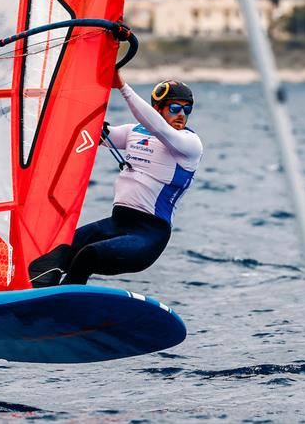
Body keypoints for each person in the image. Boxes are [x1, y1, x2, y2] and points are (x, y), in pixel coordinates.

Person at [30, 72, 203, 286]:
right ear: (157, 109)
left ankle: (61, 305)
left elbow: (158, 127)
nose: (182, 115)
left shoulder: (189, 144)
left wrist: (122, 86)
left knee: (88, 254)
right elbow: (91, 130)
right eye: (175, 109)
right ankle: (29, 292)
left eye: (187, 110)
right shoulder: (133, 132)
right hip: (116, 223)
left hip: (148, 235)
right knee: (54, 252)